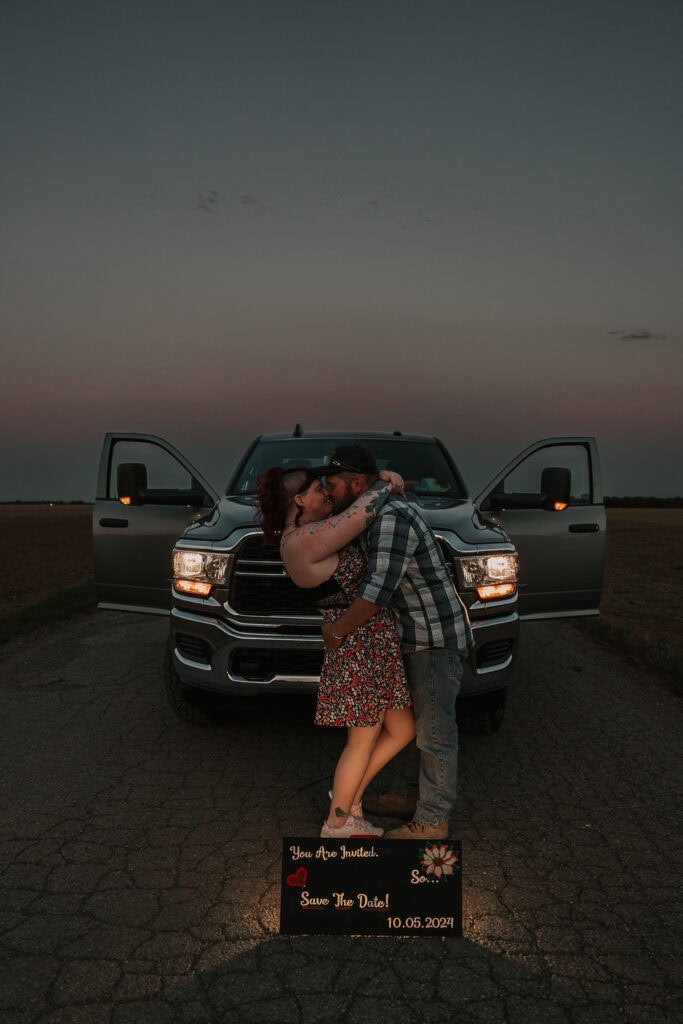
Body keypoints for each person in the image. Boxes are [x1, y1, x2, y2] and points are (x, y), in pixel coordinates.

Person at [318, 445, 473, 840]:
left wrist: (337, 632)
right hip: (407, 635)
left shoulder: (390, 518)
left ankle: (433, 820)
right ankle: (408, 796)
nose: (328, 491)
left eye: (333, 484)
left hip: (433, 637)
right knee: (415, 724)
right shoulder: (370, 511)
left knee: (435, 731)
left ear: (356, 483)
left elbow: (376, 591)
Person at [256, 464, 415, 839]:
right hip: (355, 643)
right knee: (362, 738)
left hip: (374, 639)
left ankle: (349, 795)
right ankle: (338, 825)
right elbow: (362, 514)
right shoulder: (300, 540)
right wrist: (385, 483)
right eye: (317, 489)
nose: (326, 494)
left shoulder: (312, 532)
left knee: (403, 728)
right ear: (299, 500)